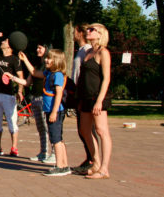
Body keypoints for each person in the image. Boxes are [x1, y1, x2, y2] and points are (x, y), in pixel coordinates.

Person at [14, 49, 71, 176]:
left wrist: (54, 112)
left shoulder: (58, 75)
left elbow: (59, 94)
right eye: (46, 58)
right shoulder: (49, 73)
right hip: (50, 110)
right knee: (58, 139)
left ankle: (60, 166)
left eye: (49, 58)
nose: (46, 60)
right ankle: (65, 165)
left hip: (54, 111)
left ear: (57, 61)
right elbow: (34, 72)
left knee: (55, 139)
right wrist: (25, 60)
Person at [77, 23, 113, 179]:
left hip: (97, 97)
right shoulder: (88, 51)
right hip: (85, 97)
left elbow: (106, 79)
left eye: (92, 30)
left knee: (101, 131)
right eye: (88, 29)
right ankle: (96, 163)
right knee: (84, 131)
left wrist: (99, 101)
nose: (88, 31)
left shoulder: (103, 52)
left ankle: (104, 169)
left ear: (100, 34)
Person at [0, 35, 24, 157]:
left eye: (5, 40)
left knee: (12, 121)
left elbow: (20, 76)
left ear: (10, 46)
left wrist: (20, 90)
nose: (2, 41)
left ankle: (14, 147)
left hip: (8, 95)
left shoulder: (14, 59)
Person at [25, 43, 55, 164]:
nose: (37, 50)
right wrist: (13, 77)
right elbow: (27, 81)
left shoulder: (49, 65)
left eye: (40, 47)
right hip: (35, 98)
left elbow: (35, 73)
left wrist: (25, 59)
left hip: (45, 99)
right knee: (41, 128)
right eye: (36, 47)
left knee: (48, 127)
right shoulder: (38, 64)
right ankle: (43, 152)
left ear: (47, 49)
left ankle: (54, 153)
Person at [71, 24, 94, 174]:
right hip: (77, 93)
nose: (73, 34)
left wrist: (80, 95)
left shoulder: (86, 50)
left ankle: (93, 159)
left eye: (74, 31)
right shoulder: (80, 51)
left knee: (86, 129)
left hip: (83, 94)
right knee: (82, 130)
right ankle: (90, 158)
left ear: (79, 33)